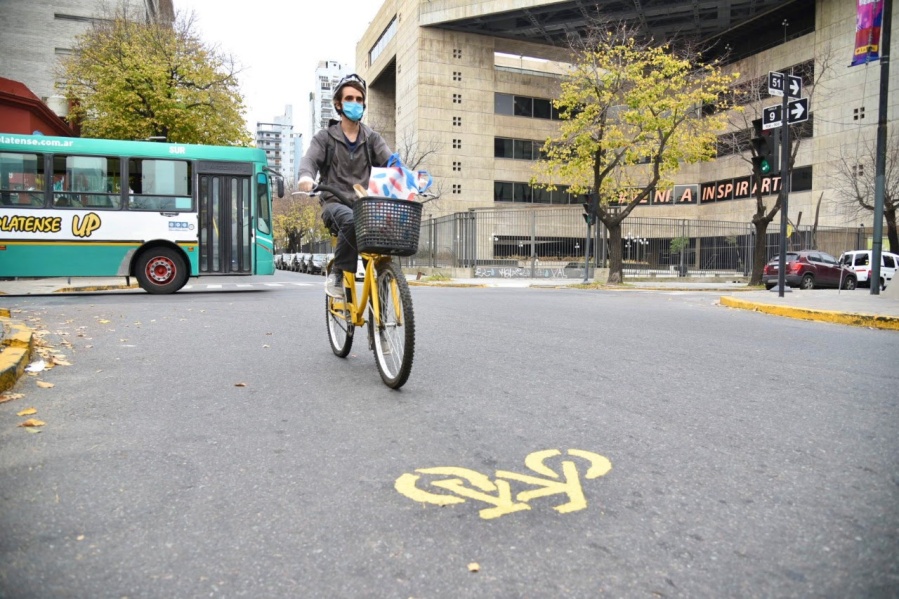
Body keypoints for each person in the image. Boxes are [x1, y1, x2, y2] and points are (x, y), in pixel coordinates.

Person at [297, 73, 393, 297]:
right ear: (339, 104)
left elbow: (391, 161)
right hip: (334, 202)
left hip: (365, 204)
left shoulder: (372, 138)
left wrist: (410, 178)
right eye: (350, 98)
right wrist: (306, 177)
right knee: (350, 221)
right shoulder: (325, 138)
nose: (356, 103)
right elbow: (309, 160)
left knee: (388, 233)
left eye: (360, 99)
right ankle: (338, 273)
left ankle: (382, 299)